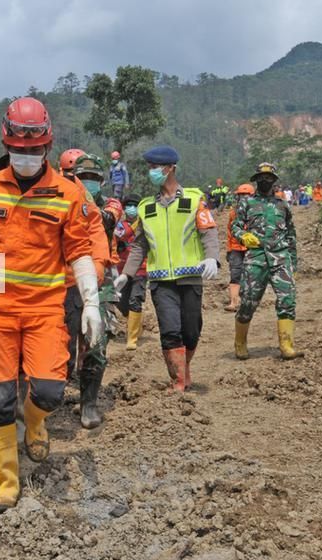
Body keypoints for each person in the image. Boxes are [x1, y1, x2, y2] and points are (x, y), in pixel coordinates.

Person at [0, 97, 98, 512]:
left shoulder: (67, 193)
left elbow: (80, 250)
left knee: (51, 391)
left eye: (34, 150)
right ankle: (7, 482)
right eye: (19, 150)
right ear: (7, 145)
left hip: (44, 310)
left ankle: (35, 421)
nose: (26, 157)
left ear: (47, 147)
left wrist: (90, 302)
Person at [117, 145, 219, 392]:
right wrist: (126, 274)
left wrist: (212, 258)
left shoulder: (194, 200)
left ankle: (184, 367)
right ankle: (178, 382)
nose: (152, 172)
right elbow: (140, 245)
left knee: (191, 331)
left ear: (171, 168)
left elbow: (208, 232)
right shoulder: (146, 207)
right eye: (150, 168)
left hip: (190, 277)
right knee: (170, 330)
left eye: (156, 168)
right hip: (161, 282)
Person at [66, 153, 116, 428]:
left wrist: (85, 204)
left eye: (93, 179)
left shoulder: (109, 205)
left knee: (96, 345)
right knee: (61, 349)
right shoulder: (61, 201)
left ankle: (89, 403)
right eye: (82, 178)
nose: (88, 183)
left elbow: (107, 220)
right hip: (66, 283)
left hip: (99, 284)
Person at [232, 162, 300, 361]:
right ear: (256, 180)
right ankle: (240, 343)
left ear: (274, 181)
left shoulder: (282, 205)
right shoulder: (247, 203)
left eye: (269, 178)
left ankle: (287, 345)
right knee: (248, 302)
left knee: (287, 300)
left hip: (281, 258)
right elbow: (235, 227)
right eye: (261, 178)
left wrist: (293, 264)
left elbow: (291, 235)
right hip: (256, 258)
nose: (265, 181)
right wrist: (243, 236)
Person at [115, 193, 147, 349]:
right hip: (122, 269)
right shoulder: (120, 225)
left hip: (141, 269)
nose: (131, 209)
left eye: (135, 205)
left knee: (135, 299)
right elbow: (119, 235)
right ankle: (135, 323)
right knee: (121, 302)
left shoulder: (145, 224)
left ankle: (132, 338)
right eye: (129, 206)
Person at [224, 183, 255, 311]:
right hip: (236, 248)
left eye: (246, 196)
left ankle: (248, 301)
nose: (243, 198)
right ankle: (234, 302)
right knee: (235, 274)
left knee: (251, 274)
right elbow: (229, 232)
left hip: (252, 248)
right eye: (241, 196)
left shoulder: (258, 213)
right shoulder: (233, 213)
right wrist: (229, 250)